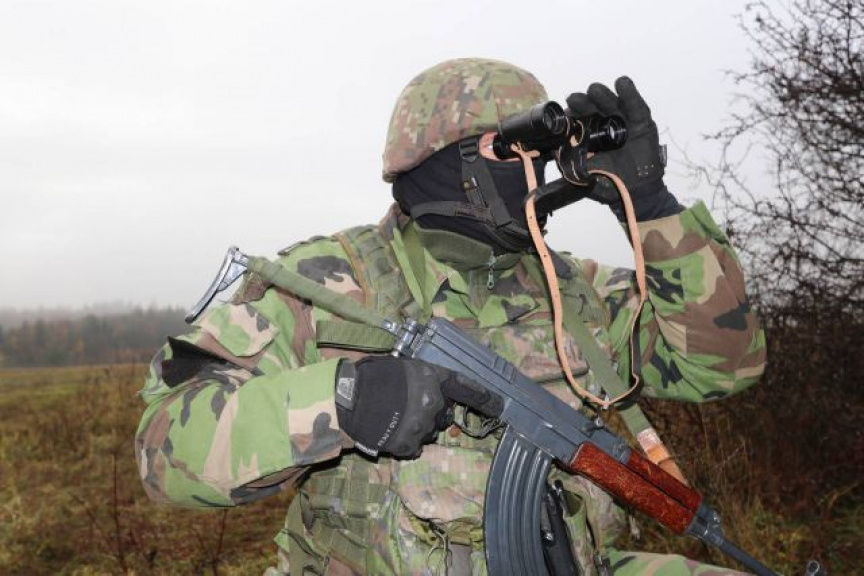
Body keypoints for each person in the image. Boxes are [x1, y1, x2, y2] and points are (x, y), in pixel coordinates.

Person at [136, 58, 767, 575]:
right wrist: (341, 401)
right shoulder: (329, 283)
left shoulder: (574, 295)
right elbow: (164, 448)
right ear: (448, 163)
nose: (537, 171)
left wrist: (652, 208)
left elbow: (724, 365)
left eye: (544, 153)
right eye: (514, 149)